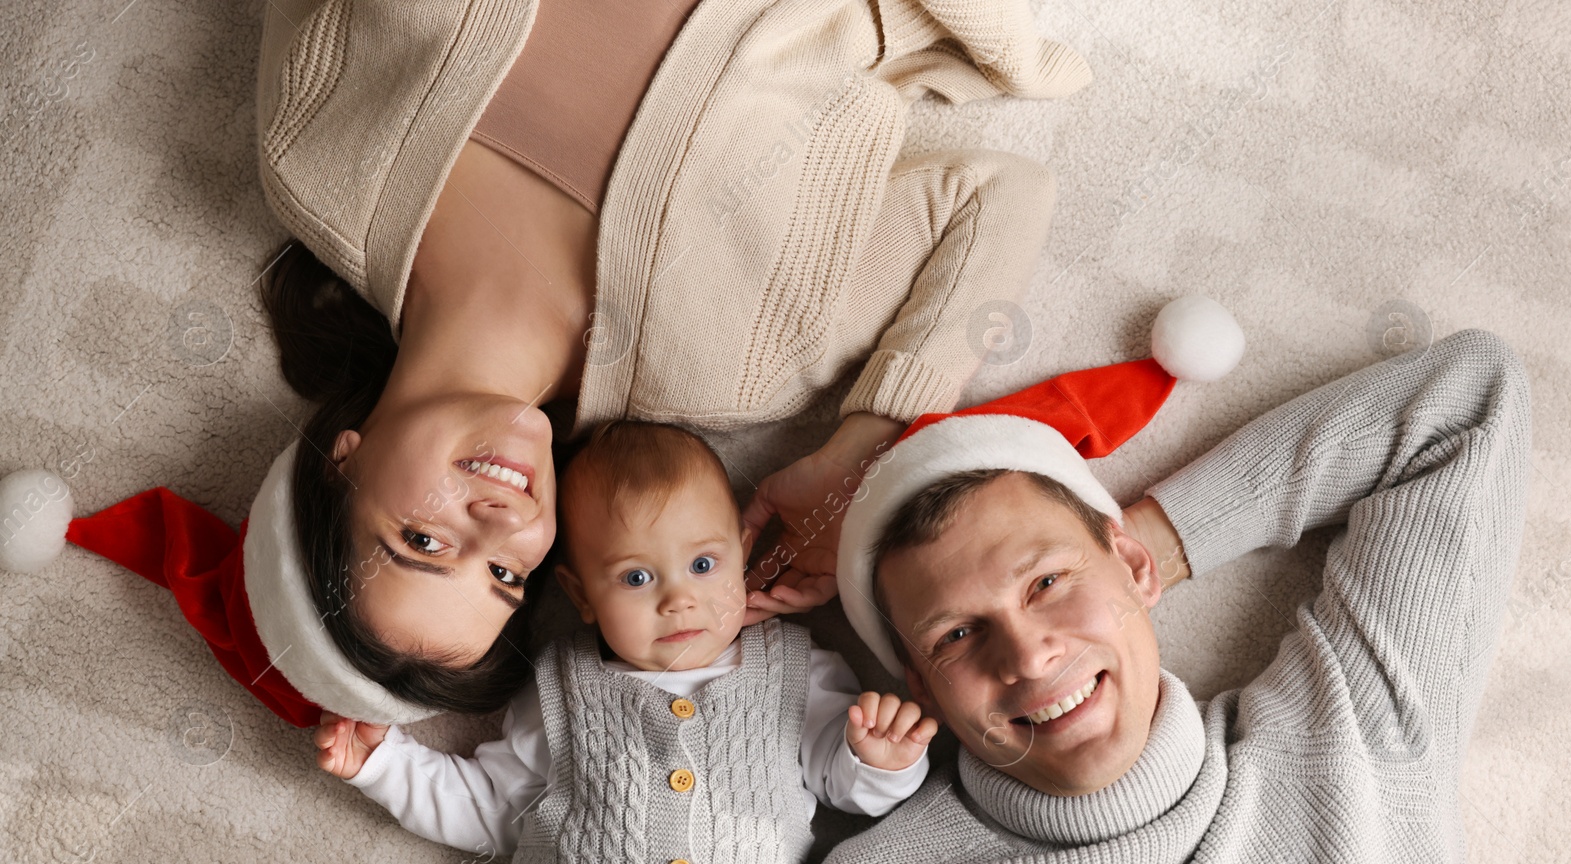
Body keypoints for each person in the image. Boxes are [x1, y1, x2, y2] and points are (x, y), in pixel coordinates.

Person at [242, 0, 1094, 728]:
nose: (498, 522)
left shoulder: (316, 160)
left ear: (339, 458)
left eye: (424, 539)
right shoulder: (733, 360)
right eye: (505, 572)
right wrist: (858, 454)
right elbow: (1001, 196)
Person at [749, 328, 1531, 864]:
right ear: (920, 684)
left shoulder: (1346, 741)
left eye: (1048, 582)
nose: (1028, 655)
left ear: (1133, 564)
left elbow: (1463, 404)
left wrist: (1154, 546)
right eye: (956, 634)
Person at [313, 422, 936, 864]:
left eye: (703, 564)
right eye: (636, 578)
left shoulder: (799, 673)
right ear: (581, 595)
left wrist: (880, 759)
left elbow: (850, 793)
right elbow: (493, 809)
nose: (678, 599)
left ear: (743, 552)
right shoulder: (563, 690)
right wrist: (386, 765)